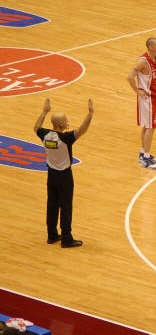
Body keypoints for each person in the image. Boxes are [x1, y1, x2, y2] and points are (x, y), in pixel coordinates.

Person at [34, 97, 93, 248]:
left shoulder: (45, 135)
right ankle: (66, 237)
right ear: (61, 124)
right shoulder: (65, 138)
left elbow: (36, 128)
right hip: (65, 176)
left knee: (52, 205)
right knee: (66, 206)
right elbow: (82, 130)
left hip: (51, 175)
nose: (68, 122)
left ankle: (52, 235)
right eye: (66, 120)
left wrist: (44, 112)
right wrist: (90, 114)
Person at [127, 37, 156, 170]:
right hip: (148, 98)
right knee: (151, 127)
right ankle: (145, 158)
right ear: (150, 47)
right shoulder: (143, 61)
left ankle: (143, 153)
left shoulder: (155, 57)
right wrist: (137, 91)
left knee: (147, 126)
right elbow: (130, 76)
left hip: (154, 96)